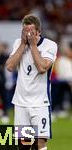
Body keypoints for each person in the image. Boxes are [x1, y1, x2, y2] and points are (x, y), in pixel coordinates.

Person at [6, 14, 57, 150]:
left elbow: (42, 68)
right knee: (23, 144)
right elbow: (9, 67)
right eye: (25, 31)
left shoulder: (50, 45)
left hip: (40, 103)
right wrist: (23, 44)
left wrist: (33, 45)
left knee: (39, 143)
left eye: (31, 32)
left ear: (39, 32)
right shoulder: (18, 43)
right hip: (21, 103)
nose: (28, 35)